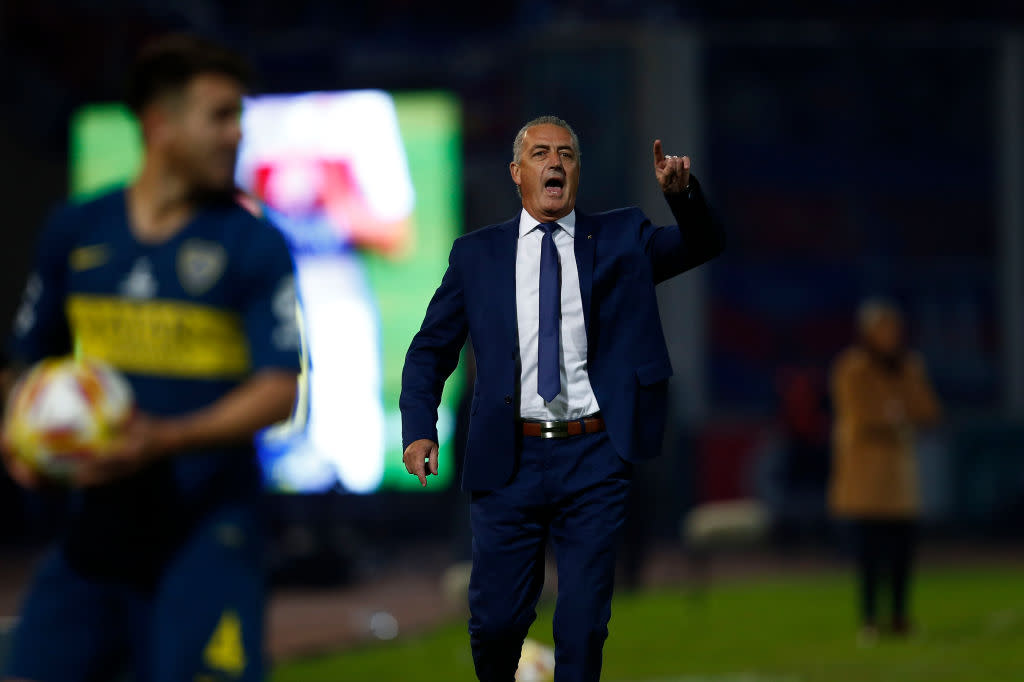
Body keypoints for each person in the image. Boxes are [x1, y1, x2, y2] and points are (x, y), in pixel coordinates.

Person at [1, 34, 300, 682]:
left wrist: (166, 437)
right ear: (159, 124)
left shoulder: (253, 245)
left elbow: (280, 390)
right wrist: (23, 437)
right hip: (97, 528)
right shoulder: (76, 230)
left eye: (238, 119)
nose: (235, 136)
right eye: (219, 116)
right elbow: (26, 359)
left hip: (209, 530)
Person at [401, 116, 725, 681]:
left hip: (594, 455)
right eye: (541, 154)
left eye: (567, 155)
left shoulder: (624, 238)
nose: (555, 163)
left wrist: (683, 196)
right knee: (497, 623)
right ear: (516, 172)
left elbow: (703, 242)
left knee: (582, 625)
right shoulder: (476, 255)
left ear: (577, 171)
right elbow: (430, 349)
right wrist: (419, 427)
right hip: (509, 458)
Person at [828, 299, 942, 641]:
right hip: (864, 475)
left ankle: (900, 617)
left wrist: (902, 412)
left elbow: (929, 412)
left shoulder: (909, 367)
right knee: (868, 553)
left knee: (902, 552)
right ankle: (869, 619)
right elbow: (859, 418)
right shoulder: (852, 367)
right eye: (882, 329)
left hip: (898, 476)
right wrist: (897, 423)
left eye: (893, 329)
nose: (890, 336)